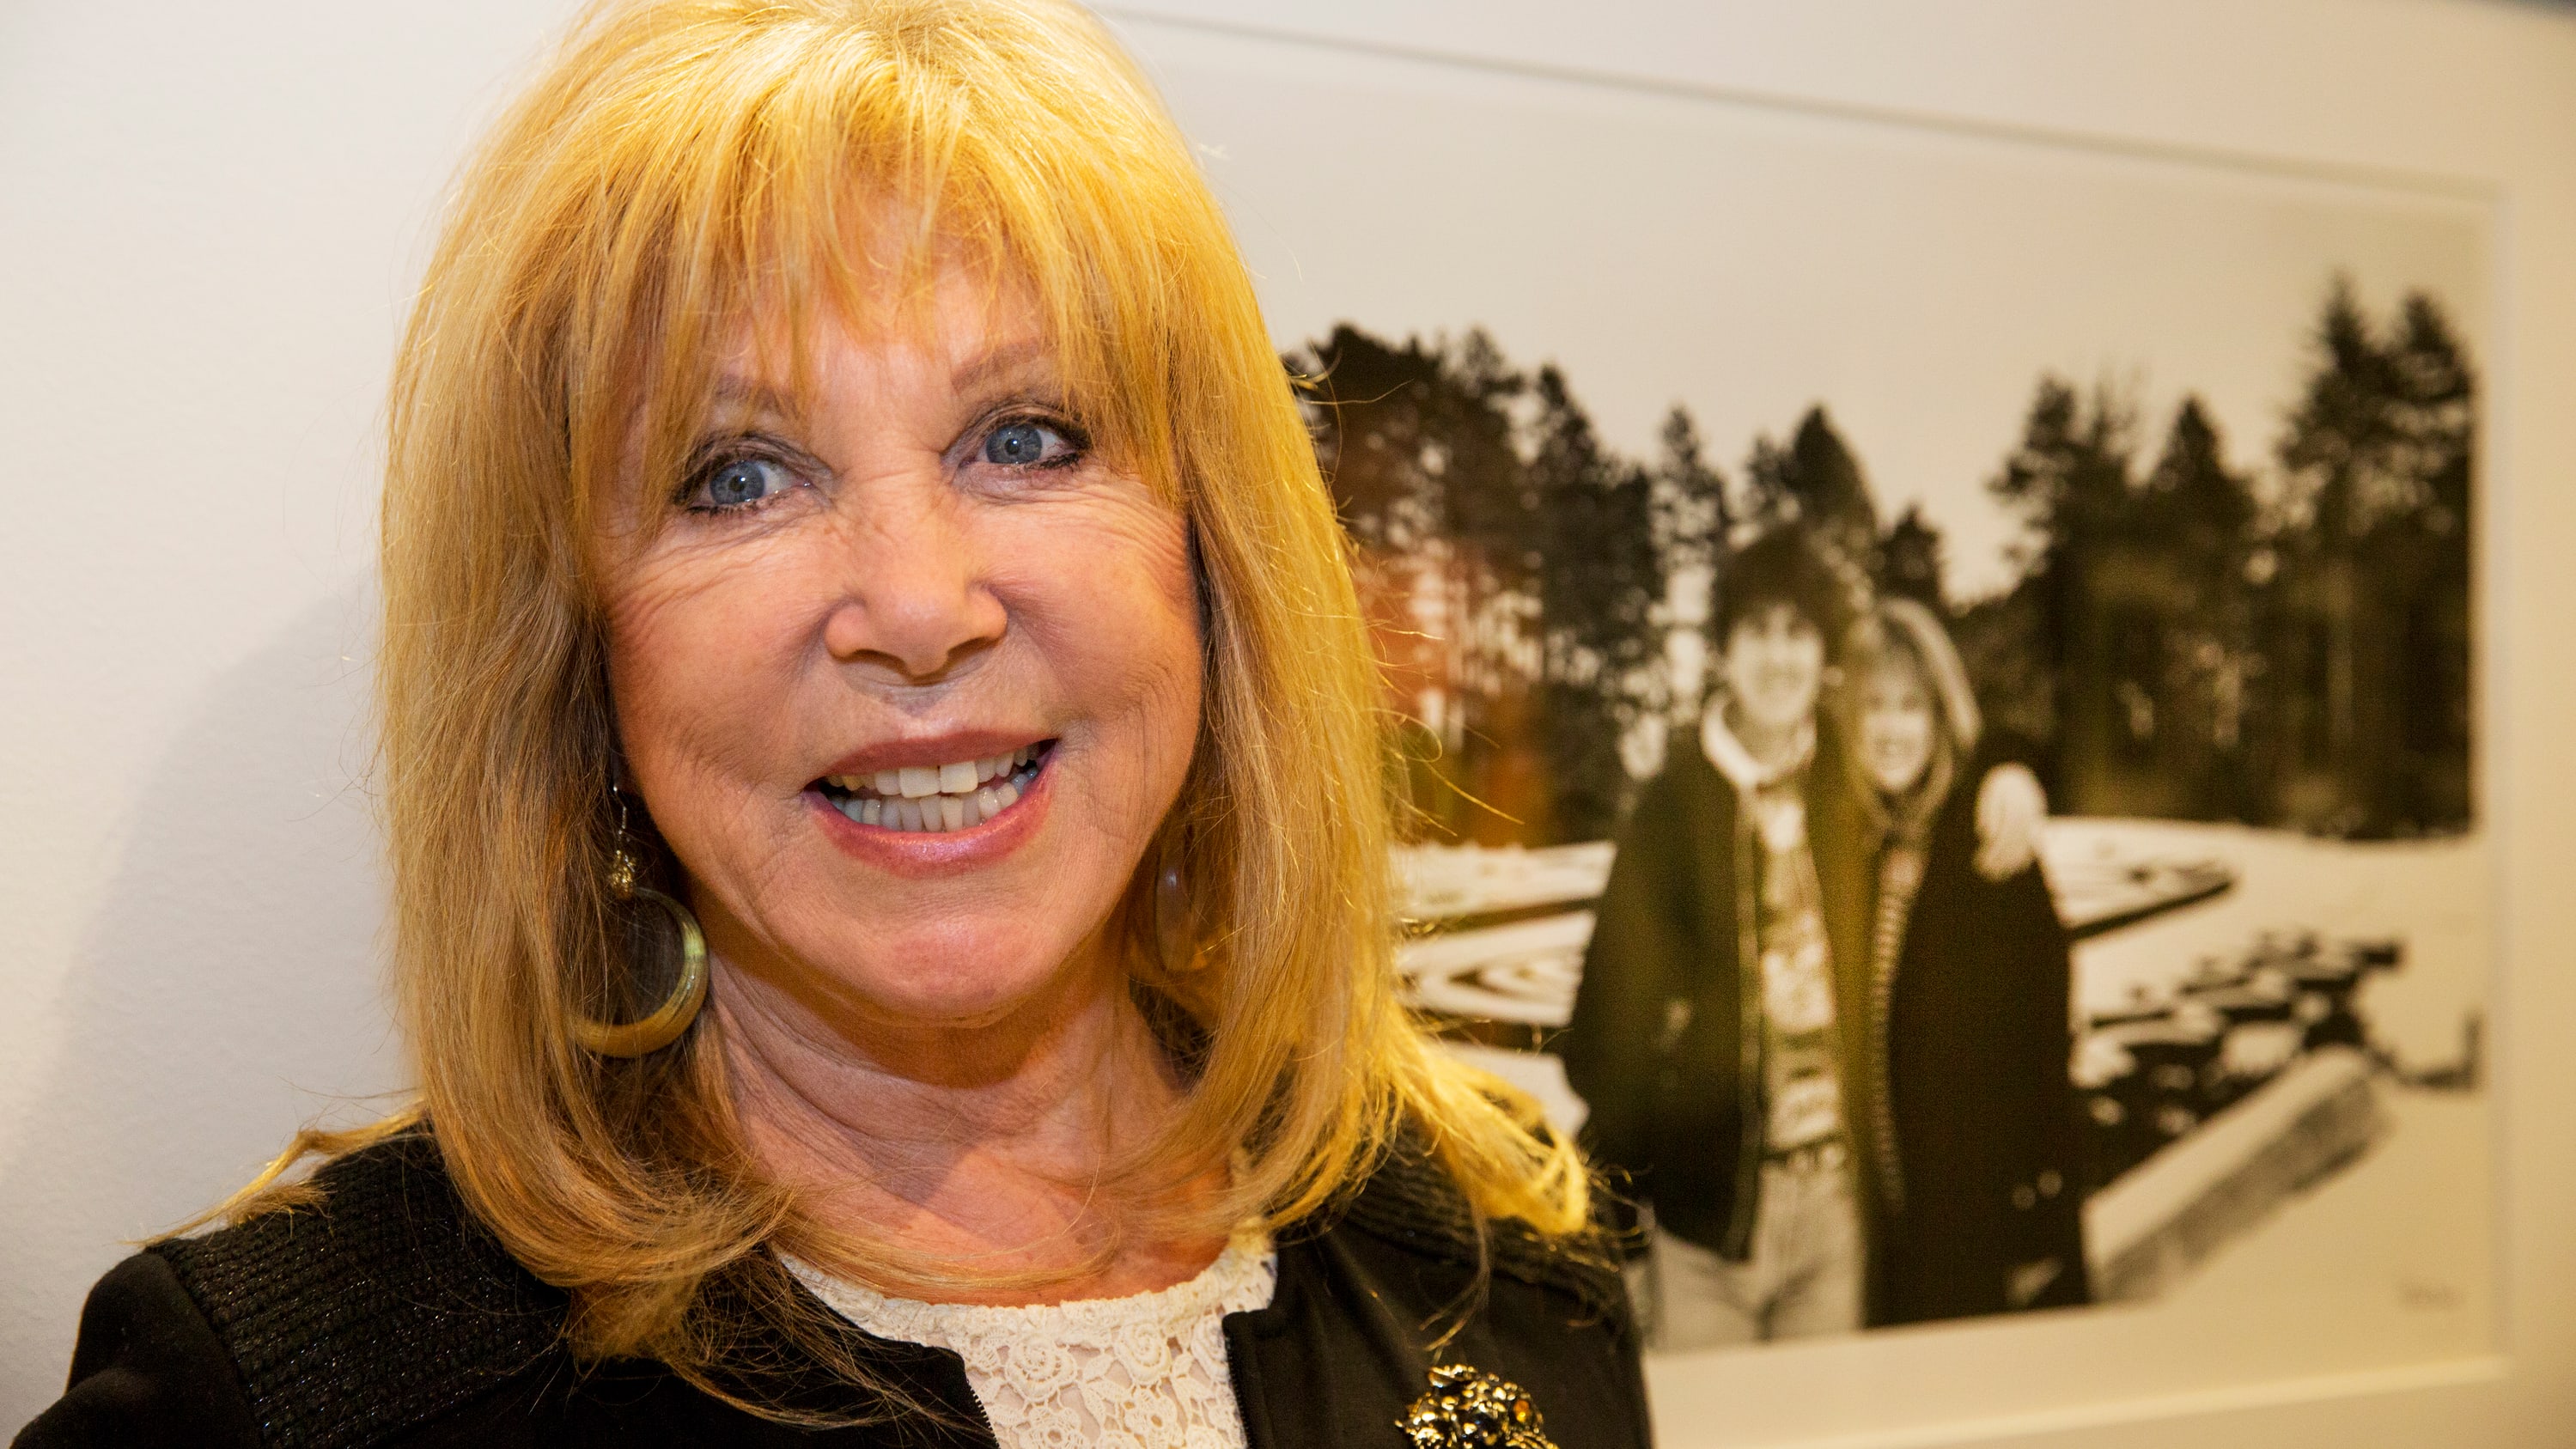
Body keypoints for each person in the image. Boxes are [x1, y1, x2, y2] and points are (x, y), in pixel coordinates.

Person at [15, 3, 1646, 1446]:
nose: (919, 604)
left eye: (1024, 436)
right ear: (576, 656)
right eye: (738, 475)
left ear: (1210, 559)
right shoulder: (288, 1399)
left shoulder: (1500, 1261)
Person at [1555, 530, 2046, 1351]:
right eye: (1757, 631)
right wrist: (1638, 1196)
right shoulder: (1671, 806)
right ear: (1724, 649)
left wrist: (2012, 767)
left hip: (1835, 1221)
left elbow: (1934, 741)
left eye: (1797, 633)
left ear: (1822, 656)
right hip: (1707, 1233)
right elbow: (1603, 1042)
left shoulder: (1845, 779)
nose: (1778, 657)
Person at [1835, 598, 2090, 1327]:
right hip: (1879, 1238)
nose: (1890, 728)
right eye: (1872, 705)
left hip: (1982, 1236)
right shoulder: (1846, 842)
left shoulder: (1990, 842)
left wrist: (2035, 1223)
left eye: (1910, 705)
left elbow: (2045, 1047)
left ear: (1940, 715)